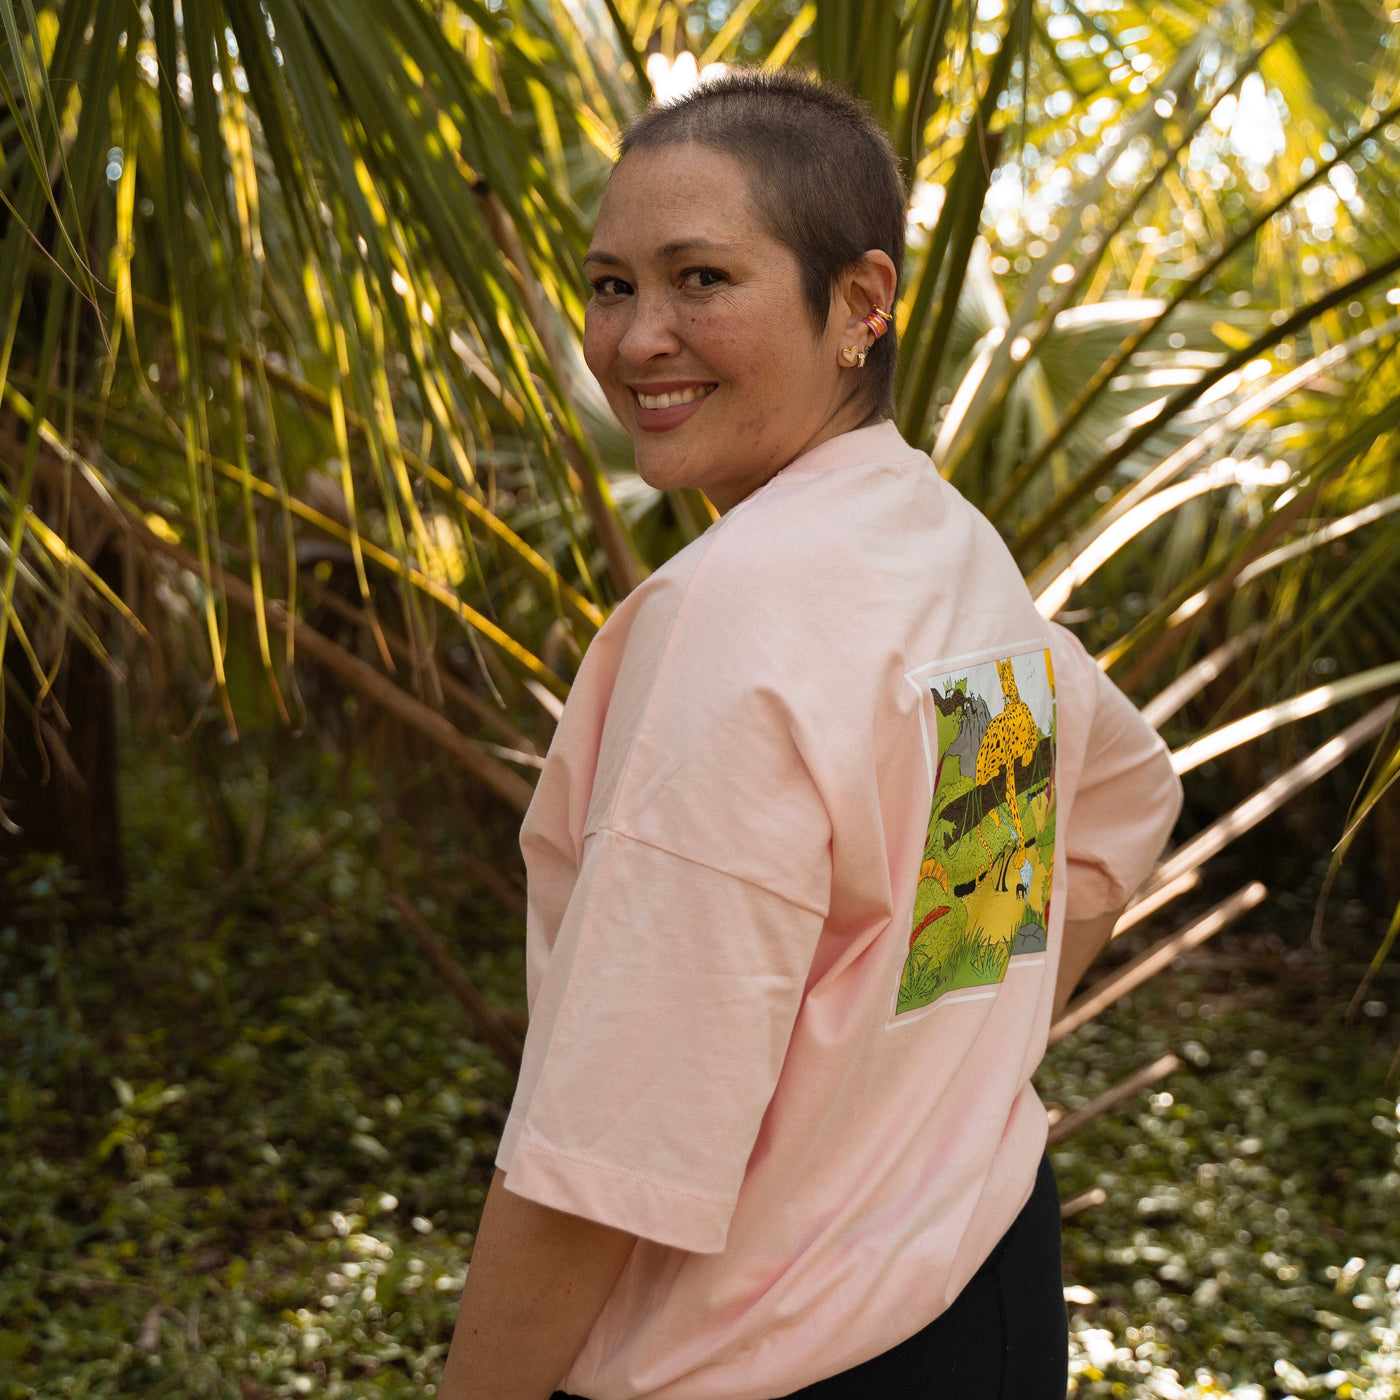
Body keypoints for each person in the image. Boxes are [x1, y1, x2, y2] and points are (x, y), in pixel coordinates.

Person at [439, 68, 1182, 1400]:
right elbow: (1119, 805)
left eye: (702, 279)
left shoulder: (729, 623)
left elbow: (611, 1153)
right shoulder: (943, 549)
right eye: (612, 286)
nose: (636, 338)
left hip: (767, 1361)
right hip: (983, 1280)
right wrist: (933, 1092)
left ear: (861, 302)